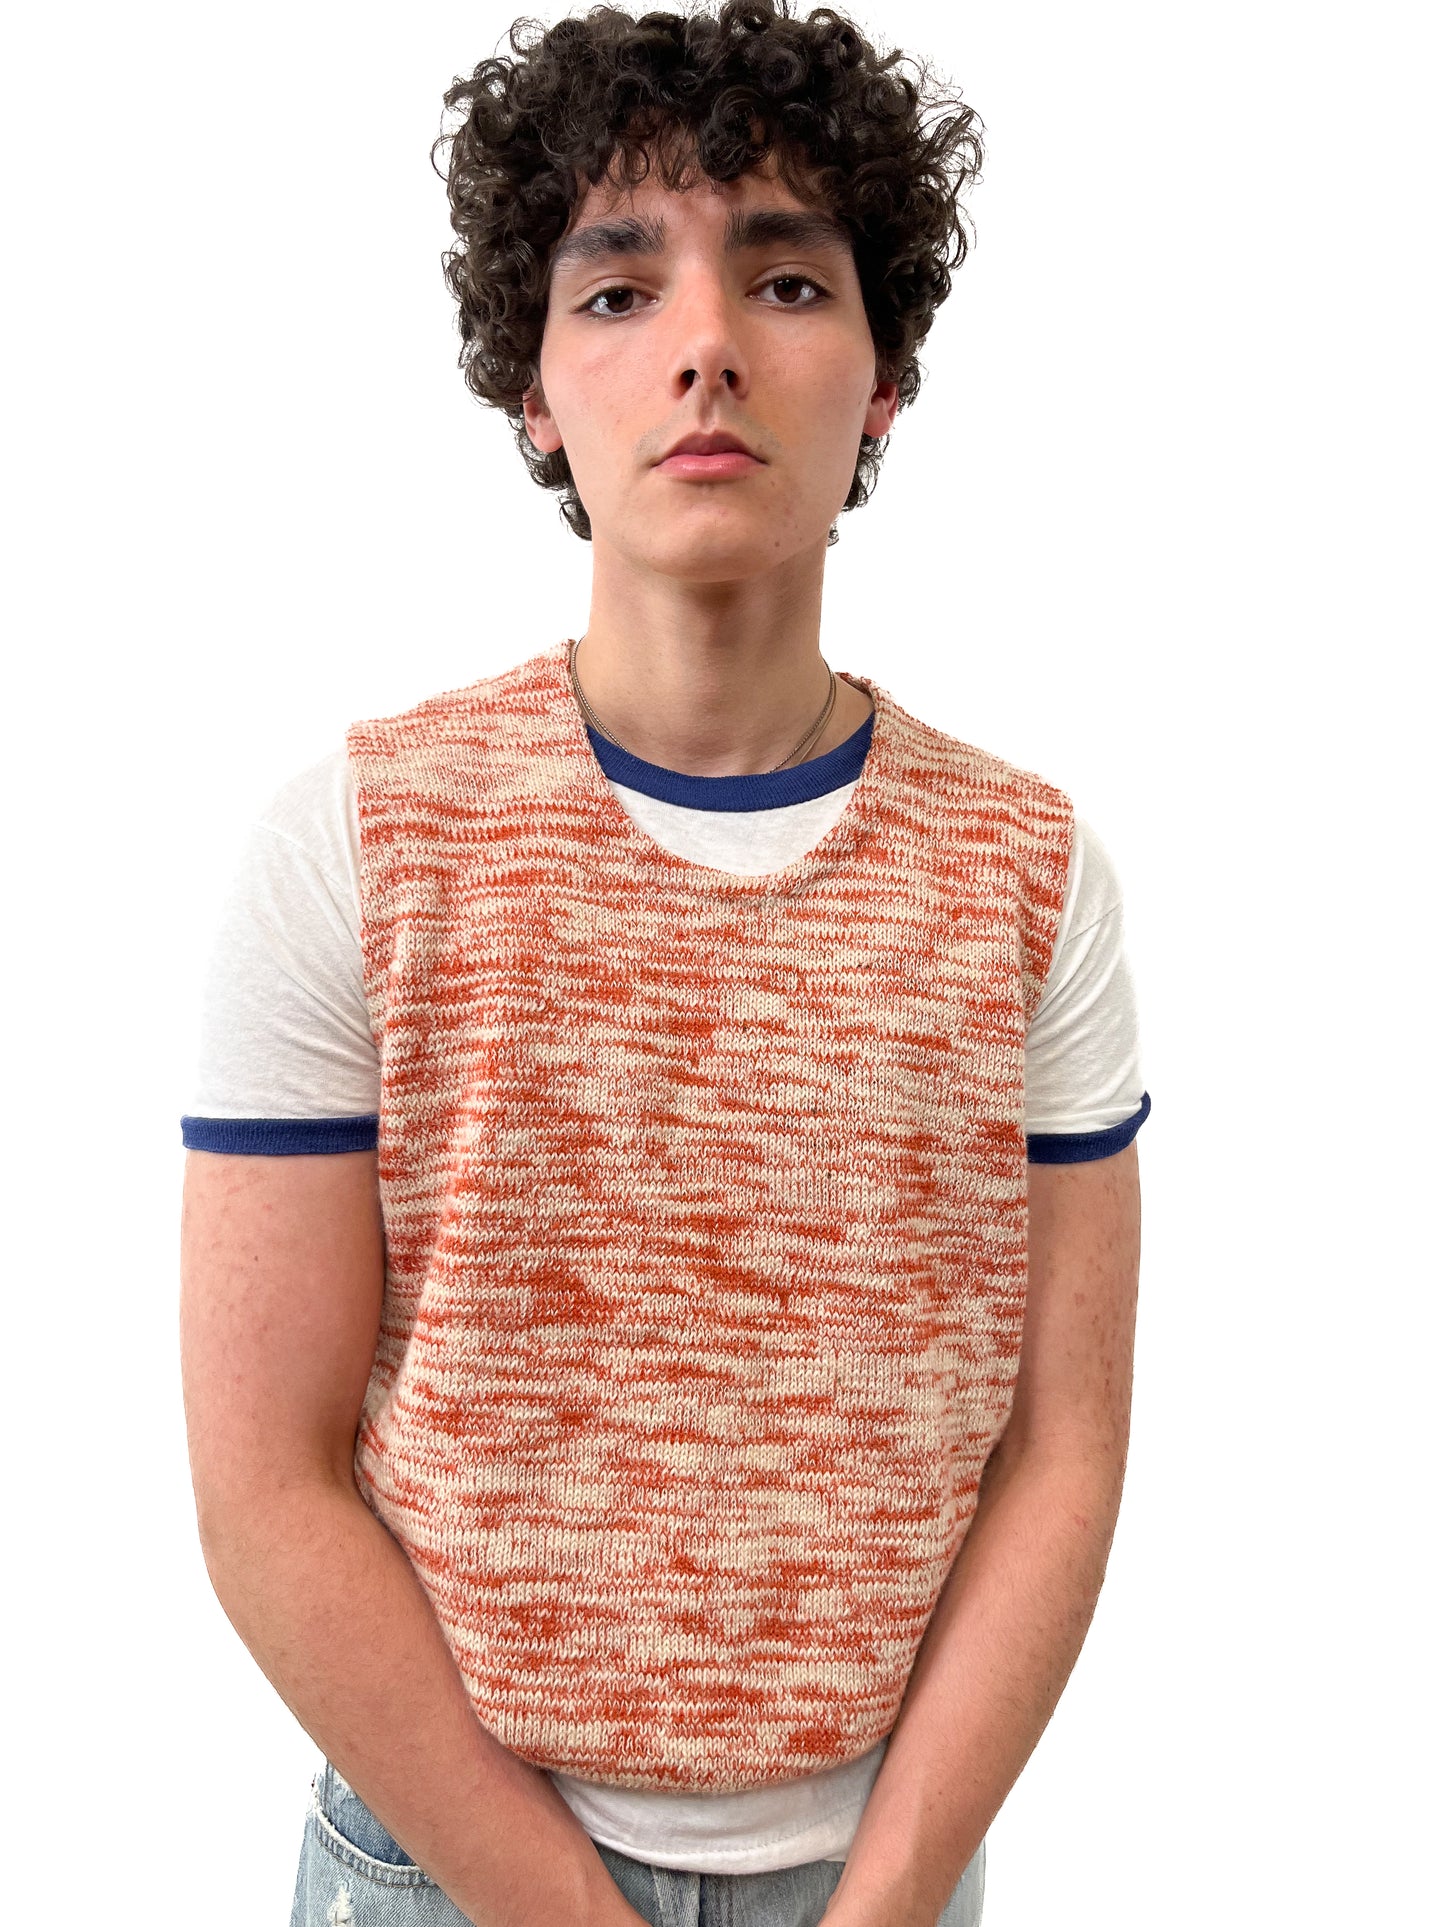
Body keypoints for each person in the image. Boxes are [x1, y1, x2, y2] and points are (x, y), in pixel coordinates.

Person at [178, 4, 1149, 1924]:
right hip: (442, 1873)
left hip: (886, 1875)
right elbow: (263, 1485)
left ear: (885, 377)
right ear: (533, 389)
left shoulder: (1029, 873)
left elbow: (1064, 1447)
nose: (706, 343)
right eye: (617, 291)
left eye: (785, 279)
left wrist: (885, 1899)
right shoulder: (356, 844)